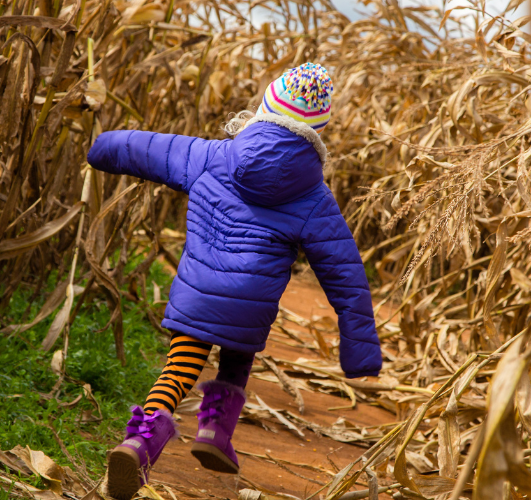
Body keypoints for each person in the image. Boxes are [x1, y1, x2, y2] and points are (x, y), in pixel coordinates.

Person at [86, 62, 382, 500]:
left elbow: (143, 148)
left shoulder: (213, 156)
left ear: (265, 109)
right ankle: (215, 433)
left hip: (197, 293)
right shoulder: (315, 198)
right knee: (237, 358)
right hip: (251, 304)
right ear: (317, 132)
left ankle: (141, 441)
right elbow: (345, 274)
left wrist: (101, 147)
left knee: (180, 366)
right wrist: (360, 348)